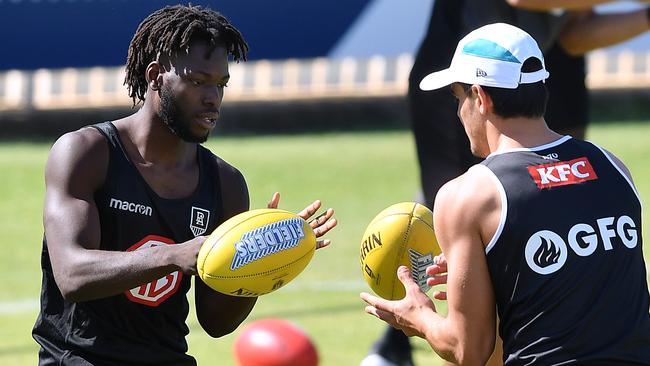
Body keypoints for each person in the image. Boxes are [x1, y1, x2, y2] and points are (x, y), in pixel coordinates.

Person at [31, 5, 337, 365]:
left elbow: (216, 321)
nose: (213, 98)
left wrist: (257, 264)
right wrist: (177, 255)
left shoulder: (226, 182)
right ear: (156, 76)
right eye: (198, 81)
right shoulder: (87, 152)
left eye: (220, 84)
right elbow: (72, 274)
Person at [362, 1, 650, 365]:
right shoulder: (613, 167)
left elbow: (470, 351)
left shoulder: (470, 196)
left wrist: (417, 316)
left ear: (480, 98)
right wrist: (497, 279)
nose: (457, 112)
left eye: (458, 98)